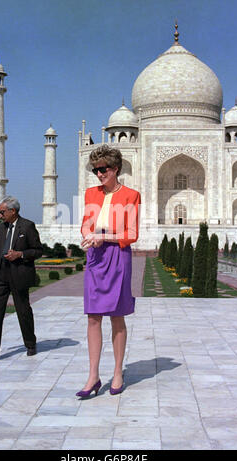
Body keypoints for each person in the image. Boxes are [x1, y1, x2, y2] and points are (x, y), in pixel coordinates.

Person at [76, 145, 141, 398]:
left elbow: (132, 234)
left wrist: (106, 238)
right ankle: (93, 375)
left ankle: (117, 372)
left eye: (103, 169)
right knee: (93, 316)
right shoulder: (91, 193)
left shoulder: (130, 195)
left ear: (115, 169)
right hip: (96, 255)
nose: (99, 174)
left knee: (116, 314)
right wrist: (88, 236)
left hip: (117, 254)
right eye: (96, 170)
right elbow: (86, 224)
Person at [0, 196, 43, 363]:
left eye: (2, 212)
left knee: (23, 311)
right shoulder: (0, 229)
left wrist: (20, 254)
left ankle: (30, 344)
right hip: (0, 276)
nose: (0, 215)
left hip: (19, 275)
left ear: (13, 211)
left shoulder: (27, 226)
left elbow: (38, 251)